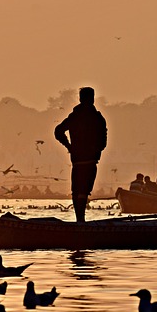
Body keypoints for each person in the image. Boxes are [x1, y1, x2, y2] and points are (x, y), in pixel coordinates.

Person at [54, 87, 107, 222]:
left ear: (80, 98)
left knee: (77, 192)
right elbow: (103, 141)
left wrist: (70, 147)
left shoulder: (75, 116)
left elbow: (58, 131)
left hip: (78, 161)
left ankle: (80, 220)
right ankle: (80, 221)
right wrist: (95, 149)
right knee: (82, 191)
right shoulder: (97, 118)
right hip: (89, 161)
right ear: (92, 98)